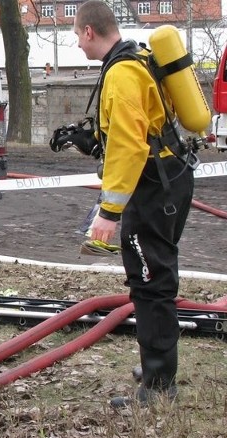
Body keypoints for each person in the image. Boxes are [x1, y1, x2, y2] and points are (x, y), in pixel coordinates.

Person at [74, 1, 195, 408]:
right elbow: (151, 121)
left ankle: (160, 385)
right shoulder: (139, 58)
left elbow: (128, 145)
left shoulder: (122, 72)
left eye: (76, 35)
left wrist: (108, 213)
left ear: (90, 32)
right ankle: (156, 365)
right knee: (152, 276)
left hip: (152, 189)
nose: (77, 44)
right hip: (168, 179)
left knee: (150, 280)